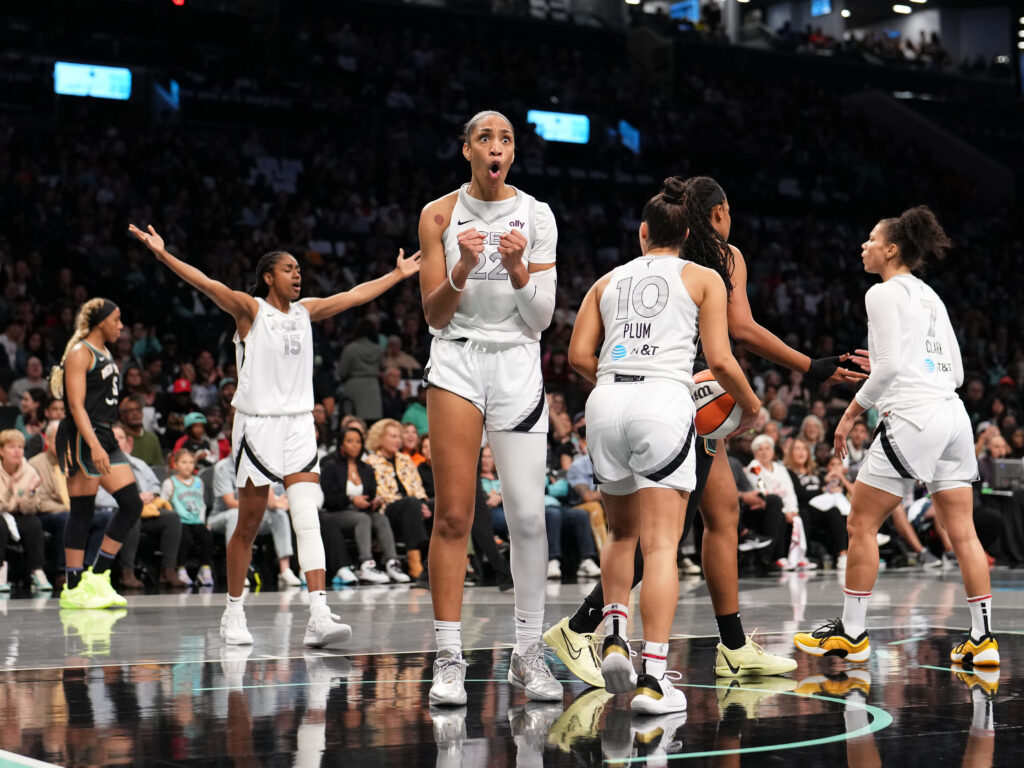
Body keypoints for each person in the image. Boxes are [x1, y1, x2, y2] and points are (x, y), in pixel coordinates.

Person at [545, 175, 864, 686]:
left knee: (720, 512)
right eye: (729, 211)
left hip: (639, 394)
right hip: (686, 396)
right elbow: (740, 331)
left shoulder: (625, 272)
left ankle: (732, 645)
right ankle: (594, 633)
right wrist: (810, 366)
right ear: (716, 215)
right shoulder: (719, 257)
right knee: (665, 532)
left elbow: (581, 355)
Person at [129, 222, 420, 648]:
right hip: (258, 423)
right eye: (288, 269)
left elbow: (353, 295)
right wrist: (163, 254)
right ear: (269, 276)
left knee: (306, 517)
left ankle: (318, 614)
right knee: (248, 522)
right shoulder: (250, 310)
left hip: (300, 423)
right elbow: (206, 283)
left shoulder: (307, 311)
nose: (297, 274)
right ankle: (233, 612)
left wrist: (396, 275)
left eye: (299, 268)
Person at [566, 176, 761, 713]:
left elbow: (577, 357)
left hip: (605, 400)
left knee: (621, 534)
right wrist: (751, 404)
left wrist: (616, 378)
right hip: (664, 400)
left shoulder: (606, 281)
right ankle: (653, 678)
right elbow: (720, 360)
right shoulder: (703, 278)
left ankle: (611, 639)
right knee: (660, 545)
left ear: (643, 232)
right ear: (687, 232)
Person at [794, 206, 999, 667]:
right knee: (962, 531)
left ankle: (851, 633)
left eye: (870, 239)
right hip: (953, 416)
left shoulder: (880, 294)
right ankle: (984, 641)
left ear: (891, 249)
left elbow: (886, 369)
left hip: (914, 417)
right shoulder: (932, 296)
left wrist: (849, 416)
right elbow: (958, 372)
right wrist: (895, 370)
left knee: (860, 524)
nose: (863, 246)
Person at [419, 110, 561, 705]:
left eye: (505, 139)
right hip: (455, 359)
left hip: (517, 362)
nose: (496, 147)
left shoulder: (539, 215)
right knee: (454, 515)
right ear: (467, 151)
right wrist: (460, 268)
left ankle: (528, 653)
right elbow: (434, 313)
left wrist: (522, 271)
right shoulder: (438, 214)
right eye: (485, 138)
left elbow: (543, 317)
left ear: (512, 153)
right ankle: (448, 656)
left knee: (529, 516)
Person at [51, 298, 149, 610]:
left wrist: (103, 440)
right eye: (117, 320)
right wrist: (93, 444)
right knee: (83, 510)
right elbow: (76, 405)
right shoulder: (81, 352)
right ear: (100, 322)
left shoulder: (107, 353)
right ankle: (74, 585)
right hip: (83, 435)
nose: (121, 326)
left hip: (106, 433)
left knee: (132, 504)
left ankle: (99, 575)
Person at [320, 426, 410, 584]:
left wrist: (373, 503)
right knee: (363, 519)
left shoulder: (366, 468)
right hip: (337, 513)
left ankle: (392, 563)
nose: (354, 445)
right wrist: (351, 499)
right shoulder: (331, 467)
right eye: (349, 441)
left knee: (380, 518)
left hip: (362, 512)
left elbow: (370, 494)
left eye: (358, 442)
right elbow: (328, 499)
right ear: (341, 444)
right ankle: (366, 564)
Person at [107, 423, 185, 589]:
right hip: (118, 511)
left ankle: (168, 570)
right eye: (113, 439)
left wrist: (153, 494)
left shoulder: (138, 464)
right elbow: (99, 496)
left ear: (128, 443)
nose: (116, 442)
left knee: (171, 518)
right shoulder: (101, 463)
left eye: (120, 438)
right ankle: (127, 572)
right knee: (130, 515)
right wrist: (131, 499)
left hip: (146, 509)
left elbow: (156, 485)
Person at [364, 419, 431, 580]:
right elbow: (378, 494)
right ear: (380, 438)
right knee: (409, 503)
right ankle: (416, 563)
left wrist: (422, 504)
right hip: (388, 510)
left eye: (398, 437)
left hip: (413, 507)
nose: (398, 440)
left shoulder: (405, 460)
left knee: (437, 506)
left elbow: (418, 487)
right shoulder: (370, 462)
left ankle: (440, 563)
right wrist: (414, 503)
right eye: (393, 437)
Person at [0, 429, 47, 591]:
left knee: (32, 523)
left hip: (17, 513)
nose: (17, 451)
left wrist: (31, 493)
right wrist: (10, 491)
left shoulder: (29, 471)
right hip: (1, 514)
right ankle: (0, 573)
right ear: (1, 450)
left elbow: (30, 508)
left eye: (20, 447)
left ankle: (37, 572)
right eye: (12, 446)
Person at [161, 449, 214, 587]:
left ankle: (205, 569)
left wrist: (203, 522)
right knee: (185, 539)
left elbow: (201, 503)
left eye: (191, 462)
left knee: (207, 538)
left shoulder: (198, 481)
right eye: (184, 462)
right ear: (175, 464)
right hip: (180, 521)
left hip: (196, 519)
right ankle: (181, 569)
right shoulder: (170, 482)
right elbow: (163, 502)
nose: (188, 465)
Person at [118, 395, 163, 466]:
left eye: (138, 409)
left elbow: (159, 467)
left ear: (142, 413)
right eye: (130, 410)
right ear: (122, 416)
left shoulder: (152, 439)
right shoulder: (119, 438)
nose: (135, 413)